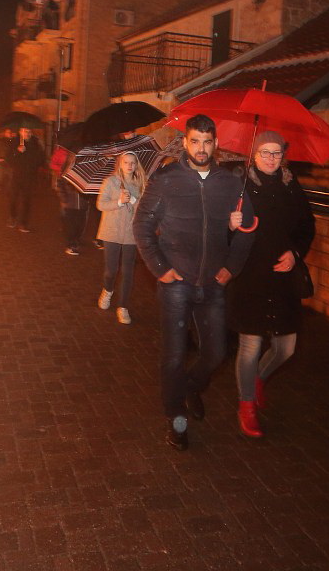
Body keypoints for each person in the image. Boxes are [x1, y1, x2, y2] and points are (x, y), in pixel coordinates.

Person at [133, 114, 255, 451]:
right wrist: (160, 268)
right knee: (173, 356)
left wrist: (232, 265)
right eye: (195, 141)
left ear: (215, 144)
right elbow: (142, 226)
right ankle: (177, 419)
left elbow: (247, 230)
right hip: (176, 283)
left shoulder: (231, 183)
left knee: (216, 351)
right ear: (185, 142)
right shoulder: (167, 179)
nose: (201, 148)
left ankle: (191, 386)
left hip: (213, 282)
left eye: (207, 141)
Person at [225, 131, 315, 439]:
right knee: (250, 345)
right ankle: (246, 404)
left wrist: (295, 253)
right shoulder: (240, 184)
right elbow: (219, 230)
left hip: (282, 277)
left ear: (283, 155)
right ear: (254, 153)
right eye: (264, 152)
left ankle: (256, 380)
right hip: (250, 276)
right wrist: (230, 223)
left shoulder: (291, 185)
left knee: (285, 347)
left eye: (276, 153)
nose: (271, 158)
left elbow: (307, 226)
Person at [96, 152, 145, 325]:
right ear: (120, 164)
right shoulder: (111, 182)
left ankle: (123, 306)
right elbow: (100, 204)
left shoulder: (141, 185)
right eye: (126, 162)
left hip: (131, 233)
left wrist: (133, 200)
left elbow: (144, 209)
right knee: (111, 270)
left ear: (136, 164)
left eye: (133, 162)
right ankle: (108, 290)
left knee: (128, 272)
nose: (130, 165)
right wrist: (118, 201)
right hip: (111, 231)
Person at [8, 127, 44, 232]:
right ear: (20, 132)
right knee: (13, 198)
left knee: (26, 200)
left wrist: (33, 157)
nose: (27, 133)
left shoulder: (36, 143)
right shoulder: (14, 142)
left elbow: (41, 159)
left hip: (29, 176)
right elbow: (8, 158)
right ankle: (12, 216)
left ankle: (23, 223)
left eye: (29, 131)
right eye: (24, 131)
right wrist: (17, 151)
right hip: (16, 175)